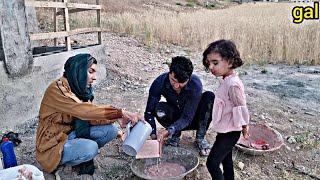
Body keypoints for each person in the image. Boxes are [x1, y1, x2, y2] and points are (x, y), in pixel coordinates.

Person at [35, 53, 140, 175]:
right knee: (91, 148)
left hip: (70, 135)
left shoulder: (79, 89)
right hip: (52, 145)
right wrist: (120, 112)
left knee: (111, 130)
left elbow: (91, 115)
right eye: (91, 71)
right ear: (78, 70)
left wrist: (116, 119)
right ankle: (63, 162)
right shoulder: (57, 90)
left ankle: (78, 154)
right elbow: (84, 111)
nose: (94, 77)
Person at [144, 56, 214, 156]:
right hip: (174, 116)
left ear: (188, 78)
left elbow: (187, 117)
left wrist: (170, 130)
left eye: (181, 83)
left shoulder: (195, 84)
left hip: (192, 118)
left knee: (209, 97)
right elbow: (149, 112)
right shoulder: (159, 82)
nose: (176, 86)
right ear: (169, 72)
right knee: (159, 109)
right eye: (173, 80)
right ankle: (174, 138)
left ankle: (200, 138)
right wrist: (153, 135)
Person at [202, 39, 250, 180]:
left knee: (212, 163)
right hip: (225, 129)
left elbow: (240, 106)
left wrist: (244, 126)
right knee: (226, 160)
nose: (210, 66)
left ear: (229, 61)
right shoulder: (226, 79)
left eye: (215, 63)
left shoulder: (232, 84)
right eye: (209, 63)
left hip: (230, 132)